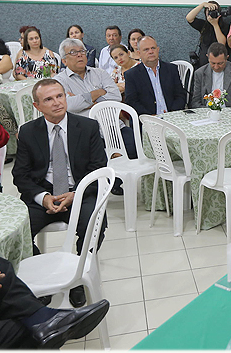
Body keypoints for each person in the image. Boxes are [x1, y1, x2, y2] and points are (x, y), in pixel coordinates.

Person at [12, 79, 109, 308]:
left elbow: (99, 169)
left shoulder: (87, 127)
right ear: (37, 106)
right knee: (18, 232)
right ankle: (40, 275)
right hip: (43, 193)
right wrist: (42, 197)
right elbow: (21, 175)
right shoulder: (27, 132)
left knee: (94, 224)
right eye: (48, 99)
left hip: (79, 192)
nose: (57, 103)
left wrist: (75, 194)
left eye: (60, 96)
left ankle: (77, 276)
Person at [54, 38, 134, 194]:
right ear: (64, 60)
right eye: (74, 52)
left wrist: (84, 99)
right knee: (93, 158)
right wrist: (98, 93)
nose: (80, 55)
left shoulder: (100, 73)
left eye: (82, 51)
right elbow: (69, 105)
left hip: (113, 126)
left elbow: (115, 97)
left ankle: (114, 181)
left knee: (135, 145)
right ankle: (99, 185)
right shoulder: (59, 81)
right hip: (85, 132)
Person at [124, 36, 187, 116]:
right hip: (146, 120)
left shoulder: (171, 69)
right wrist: (150, 117)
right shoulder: (131, 75)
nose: (151, 52)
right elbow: (132, 101)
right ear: (139, 53)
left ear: (158, 50)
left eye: (153, 48)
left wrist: (172, 114)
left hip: (172, 117)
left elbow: (180, 95)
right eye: (146, 49)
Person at [191, 43, 231, 108]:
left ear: (226, 58)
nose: (216, 67)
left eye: (220, 63)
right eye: (213, 63)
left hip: (230, 111)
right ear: (207, 57)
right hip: (207, 111)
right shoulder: (200, 73)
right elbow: (195, 101)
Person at [186, 1, 231, 68]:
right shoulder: (203, 25)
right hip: (203, 64)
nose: (211, 13)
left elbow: (222, 43)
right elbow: (189, 18)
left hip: (219, 64)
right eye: (209, 11)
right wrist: (202, 5)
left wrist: (215, 25)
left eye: (214, 11)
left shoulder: (225, 26)